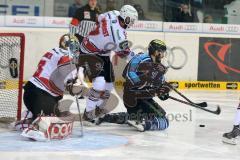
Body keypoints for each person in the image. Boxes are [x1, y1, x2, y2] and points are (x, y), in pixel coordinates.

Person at [78, 5, 138, 122]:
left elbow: (99, 17)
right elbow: (124, 54)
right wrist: (138, 59)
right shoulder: (119, 36)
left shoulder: (114, 12)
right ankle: (89, 112)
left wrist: (100, 36)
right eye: (132, 20)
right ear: (126, 18)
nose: (132, 23)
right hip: (89, 52)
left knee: (110, 83)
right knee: (100, 83)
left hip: (102, 52)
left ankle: (99, 108)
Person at [96, 40, 170, 132]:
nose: (162, 55)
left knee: (134, 116)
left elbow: (159, 87)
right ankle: (144, 124)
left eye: (163, 52)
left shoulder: (158, 67)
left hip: (140, 98)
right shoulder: (141, 58)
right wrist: (145, 83)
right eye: (160, 51)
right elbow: (128, 74)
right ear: (153, 51)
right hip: (135, 97)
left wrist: (163, 93)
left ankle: (105, 117)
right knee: (165, 121)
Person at [15, 34, 83, 130]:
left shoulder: (52, 51)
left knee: (58, 111)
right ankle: (38, 124)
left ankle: (31, 115)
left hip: (29, 92)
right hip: (41, 96)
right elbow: (70, 79)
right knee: (54, 122)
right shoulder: (66, 56)